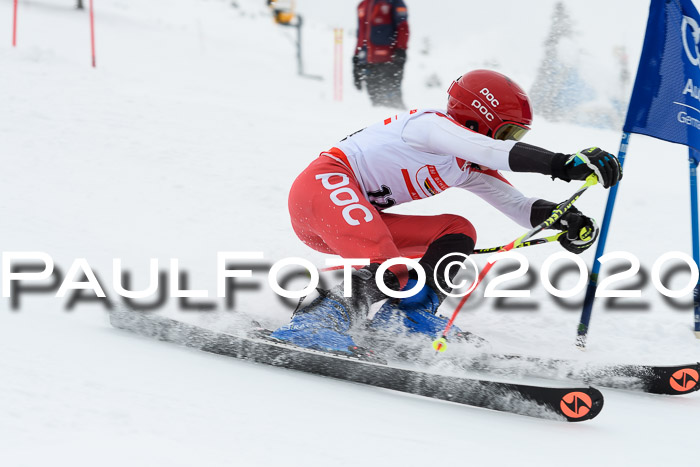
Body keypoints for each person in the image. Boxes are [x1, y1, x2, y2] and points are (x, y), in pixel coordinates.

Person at [271, 69, 622, 355]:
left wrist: (568, 220)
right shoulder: (429, 126)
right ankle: (314, 323)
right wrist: (562, 164)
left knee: (457, 231)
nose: (510, 140)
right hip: (321, 189)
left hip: (351, 220)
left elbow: (517, 205)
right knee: (388, 263)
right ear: (477, 121)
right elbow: (496, 151)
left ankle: (406, 317)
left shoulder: (467, 164)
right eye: (508, 132)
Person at [353, 0, 409, 108]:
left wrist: (400, 50)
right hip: (368, 63)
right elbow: (360, 35)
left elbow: (403, 27)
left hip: (389, 62)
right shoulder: (363, 5)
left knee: (393, 101)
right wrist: (356, 59)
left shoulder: (393, 2)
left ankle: (405, 122)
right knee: (376, 102)